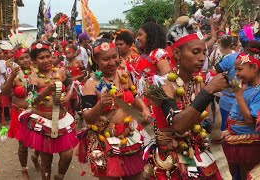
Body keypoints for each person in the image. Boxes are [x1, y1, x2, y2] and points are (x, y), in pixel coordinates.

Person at [143, 24, 228, 179]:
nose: (202, 58)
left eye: (204, 52)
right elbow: (179, 125)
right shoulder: (164, 86)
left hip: (199, 154)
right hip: (172, 160)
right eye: (195, 52)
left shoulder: (198, 82)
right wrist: (209, 91)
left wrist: (212, 130)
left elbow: (198, 120)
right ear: (176, 53)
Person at [79, 39, 151, 179]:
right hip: (105, 142)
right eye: (106, 59)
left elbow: (134, 97)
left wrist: (144, 109)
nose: (112, 63)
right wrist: (100, 106)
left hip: (128, 137)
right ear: (96, 60)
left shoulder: (124, 75)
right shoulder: (91, 84)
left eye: (114, 57)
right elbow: (87, 118)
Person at [19, 41, 78, 180]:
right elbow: (30, 101)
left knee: (67, 154)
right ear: (34, 61)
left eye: (48, 56)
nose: (46, 60)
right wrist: (47, 89)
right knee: (46, 160)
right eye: (41, 58)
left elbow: (71, 86)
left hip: (62, 118)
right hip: (43, 120)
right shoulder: (33, 78)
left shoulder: (61, 72)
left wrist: (67, 97)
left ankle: (60, 176)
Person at [1, 46, 40, 180]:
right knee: (23, 145)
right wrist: (11, 77)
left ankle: (35, 157)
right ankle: (24, 169)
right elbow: (5, 92)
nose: (24, 61)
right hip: (20, 113)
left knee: (40, 141)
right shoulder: (13, 73)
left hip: (37, 112)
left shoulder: (37, 71)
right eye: (21, 59)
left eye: (26, 57)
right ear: (16, 61)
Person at [222, 53, 260, 179]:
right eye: (235, 70)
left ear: (254, 68)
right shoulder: (246, 85)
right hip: (234, 137)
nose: (236, 74)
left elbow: (250, 120)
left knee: (246, 174)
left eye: (240, 69)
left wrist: (238, 95)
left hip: (248, 144)